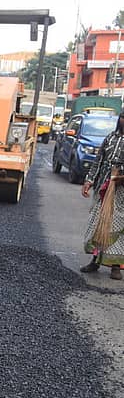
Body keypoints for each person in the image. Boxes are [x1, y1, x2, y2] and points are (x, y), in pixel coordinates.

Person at [80, 109, 124, 280]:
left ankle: (115, 266)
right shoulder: (110, 138)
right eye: (122, 117)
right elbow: (98, 161)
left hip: (120, 191)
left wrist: (120, 177)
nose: (123, 121)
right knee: (99, 221)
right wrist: (89, 181)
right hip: (103, 186)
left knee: (116, 225)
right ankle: (95, 260)